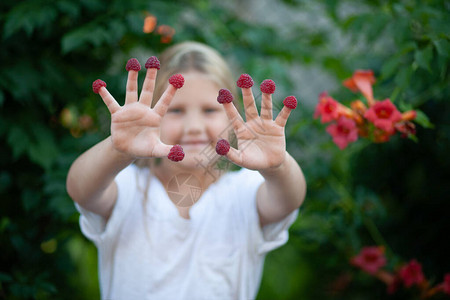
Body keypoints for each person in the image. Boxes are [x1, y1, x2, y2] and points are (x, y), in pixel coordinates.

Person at [66, 41, 306, 300]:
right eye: (176, 110)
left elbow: (289, 199)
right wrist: (118, 149)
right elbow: (81, 189)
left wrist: (278, 165)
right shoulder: (127, 188)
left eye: (210, 110)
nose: (193, 126)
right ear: (151, 114)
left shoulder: (245, 194)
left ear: (231, 114)